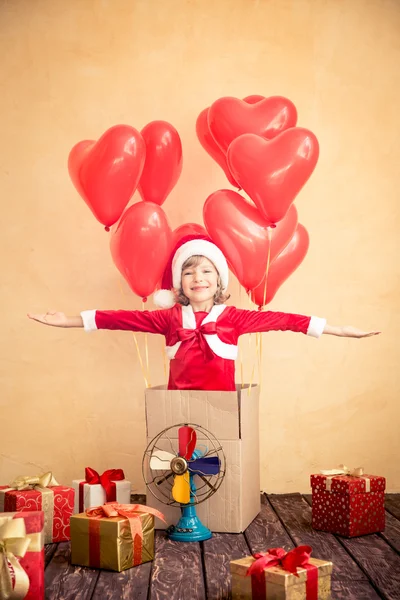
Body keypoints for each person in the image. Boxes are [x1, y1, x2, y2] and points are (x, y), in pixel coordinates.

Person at [28, 235, 380, 391]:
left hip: (222, 409)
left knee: (216, 461)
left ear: (219, 280)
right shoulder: (167, 319)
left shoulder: (235, 318)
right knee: (182, 461)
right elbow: (115, 319)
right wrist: (68, 320)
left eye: (207, 271)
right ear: (179, 283)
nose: (199, 278)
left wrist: (338, 329)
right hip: (179, 409)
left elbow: (287, 321)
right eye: (190, 271)